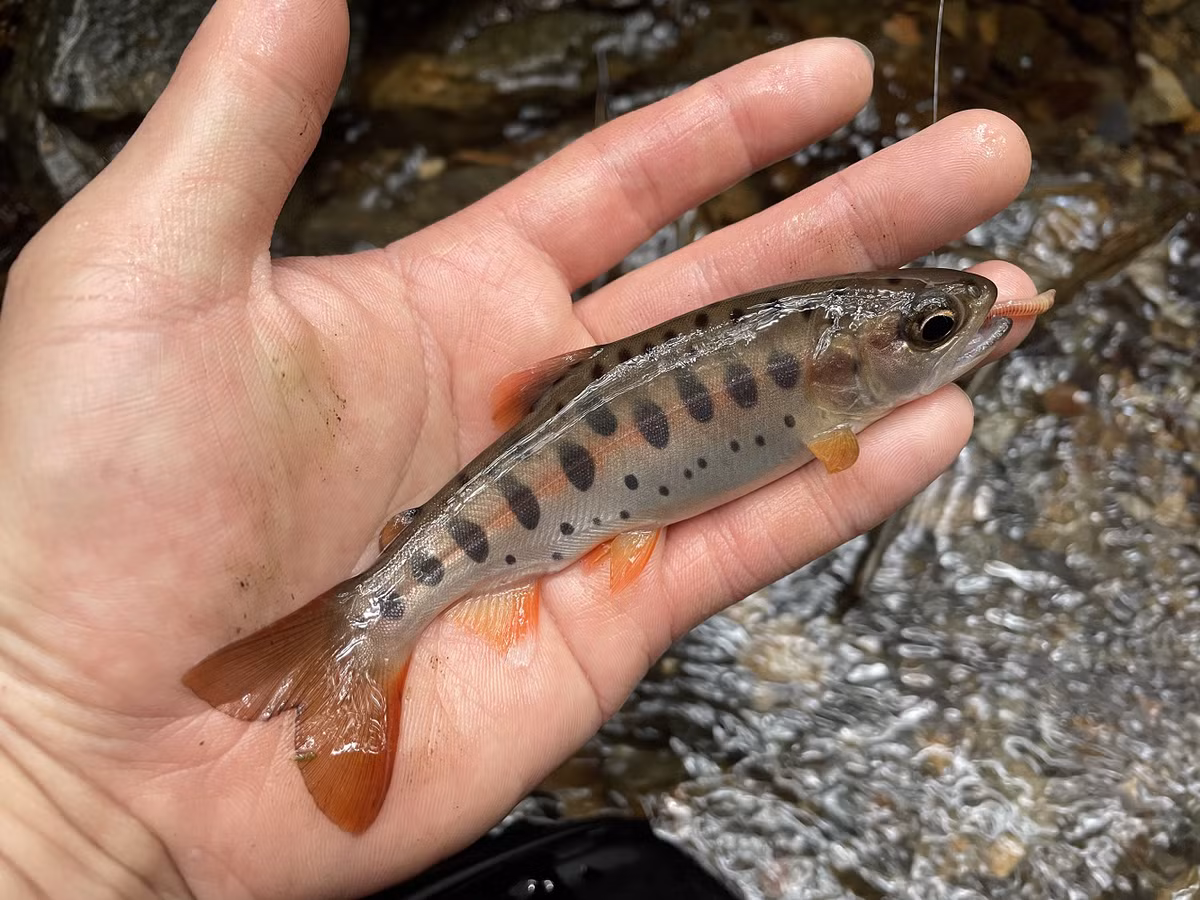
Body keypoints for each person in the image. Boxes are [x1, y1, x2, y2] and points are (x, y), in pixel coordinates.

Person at [0, 1, 1037, 896]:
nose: (952, 336)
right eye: (934, 334)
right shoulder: (827, 394)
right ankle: (363, 632)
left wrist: (63, 818)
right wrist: (55, 783)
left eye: (932, 331)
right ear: (839, 378)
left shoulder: (835, 384)